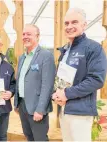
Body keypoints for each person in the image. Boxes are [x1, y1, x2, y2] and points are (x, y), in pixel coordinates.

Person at [52, 8, 107, 141]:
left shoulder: (93, 48)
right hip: (64, 109)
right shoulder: (65, 50)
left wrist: (66, 93)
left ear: (84, 24)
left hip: (80, 112)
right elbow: (61, 79)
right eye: (66, 23)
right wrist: (56, 93)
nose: (69, 26)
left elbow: (96, 80)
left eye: (74, 22)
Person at [14, 24, 56, 141]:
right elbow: (20, 80)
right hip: (23, 105)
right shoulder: (23, 57)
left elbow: (47, 85)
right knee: (29, 136)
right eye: (23, 34)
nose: (25, 37)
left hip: (37, 106)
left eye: (29, 34)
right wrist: (17, 103)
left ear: (37, 36)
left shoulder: (46, 56)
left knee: (40, 138)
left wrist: (40, 109)